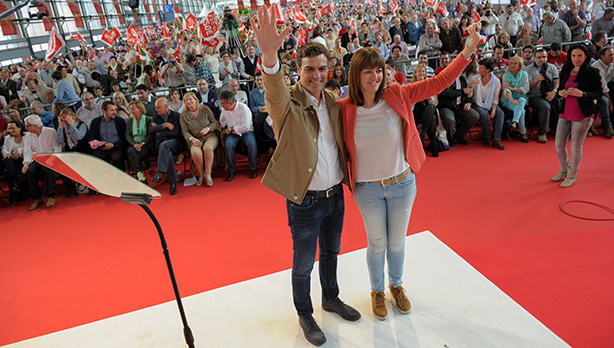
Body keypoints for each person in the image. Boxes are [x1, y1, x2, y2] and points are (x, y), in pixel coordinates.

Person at [338, 23, 483, 321]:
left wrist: (468, 49)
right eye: (368, 72)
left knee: (397, 242)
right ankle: (377, 291)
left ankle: (396, 285)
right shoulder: (343, 108)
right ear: (356, 75)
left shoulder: (398, 94)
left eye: (379, 70)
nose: (376, 77)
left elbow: (440, 81)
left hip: (402, 183)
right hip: (367, 189)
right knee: (376, 242)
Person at [251, 7, 360, 346]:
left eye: (322, 69)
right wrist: (270, 57)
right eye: (310, 69)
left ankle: (331, 298)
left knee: (331, 253)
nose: (317, 75)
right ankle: (305, 314)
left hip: (335, 197)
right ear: (298, 71)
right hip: (306, 202)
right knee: (303, 265)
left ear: (329, 70)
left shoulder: (332, 100)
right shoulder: (286, 104)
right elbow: (273, 89)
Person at [553, 43, 602, 187]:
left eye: (579, 55)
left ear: (586, 56)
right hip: (565, 111)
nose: (576, 58)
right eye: (573, 55)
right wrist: (560, 92)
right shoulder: (567, 69)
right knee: (559, 145)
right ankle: (563, 169)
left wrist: (583, 94)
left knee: (576, 146)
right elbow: (561, 87)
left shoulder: (592, 72)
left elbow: (598, 94)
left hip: (582, 113)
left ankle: (572, 173)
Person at [21, 115, 63, 210]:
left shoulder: (50, 131)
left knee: (46, 169)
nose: (26, 128)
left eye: (28, 126)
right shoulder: (28, 136)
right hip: (37, 158)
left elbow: (57, 148)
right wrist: (26, 163)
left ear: (35, 125)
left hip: (50, 157)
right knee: (30, 171)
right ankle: (36, 198)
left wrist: (51, 160)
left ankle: (51, 196)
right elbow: (28, 151)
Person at [180, 92, 219, 187]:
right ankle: (201, 175)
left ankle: (208, 174)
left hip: (210, 136)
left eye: (190, 99)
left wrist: (208, 129)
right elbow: (185, 132)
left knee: (207, 148)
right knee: (195, 152)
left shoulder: (205, 109)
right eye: (186, 100)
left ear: (195, 100)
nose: (188, 102)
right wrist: (192, 139)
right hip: (195, 139)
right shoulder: (183, 115)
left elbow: (214, 123)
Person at [219, 90, 258, 180]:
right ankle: (232, 170)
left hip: (246, 132)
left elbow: (246, 127)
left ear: (231, 103)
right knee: (228, 145)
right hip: (232, 134)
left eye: (223, 104)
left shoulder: (244, 108)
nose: (222, 106)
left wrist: (231, 128)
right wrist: (225, 129)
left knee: (251, 144)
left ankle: (253, 168)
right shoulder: (224, 109)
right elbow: (222, 121)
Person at [150, 97, 184, 196]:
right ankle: (172, 183)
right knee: (166, 151)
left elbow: (176, 133)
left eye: (158, 107)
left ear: (166, 106)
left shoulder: (176, 116)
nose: (156, 110)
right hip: (163, 145)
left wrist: (160, 132)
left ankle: (159, 174)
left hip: (177, 143)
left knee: (164, 146)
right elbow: (150, 130)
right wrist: (164, 126)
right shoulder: (156, 116)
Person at [472, 58, 506, 150]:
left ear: (488, 70)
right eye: (479, 67)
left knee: (500, 114)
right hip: (477, 103)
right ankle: (487, 136)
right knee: (483, 114)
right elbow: (470, 95)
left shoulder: (496, 81)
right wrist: (471, 84)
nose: (479, 70)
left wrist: (494, 110)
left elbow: (495, 99)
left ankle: (497, 139)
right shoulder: (475, 78)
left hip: (490, 102)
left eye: (481, 68)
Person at [89, 101, 127, 171]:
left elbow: (124, 138)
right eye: (112, 110)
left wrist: (113, 144)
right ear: (104, 111)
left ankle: (121, 179)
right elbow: (91, 137)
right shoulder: (95, 122)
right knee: (95, 159)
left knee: (117, 158)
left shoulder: (120, 121)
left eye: (115, 110)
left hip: (116, 148)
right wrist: (92, 144)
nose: (114, 112)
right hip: (101, 149)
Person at [501, 56, 531, 143]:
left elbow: (526, 89)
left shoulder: (524, 74)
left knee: (521, 102)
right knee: (521, 110)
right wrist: (511, 99)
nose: (512, 65)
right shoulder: (505, 76)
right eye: (511, 63)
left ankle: (514, 122)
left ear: (520, 66)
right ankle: (523, 132)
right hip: (508, 99)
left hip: (521, 97)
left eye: (515, 63)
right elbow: (506, 89)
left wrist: (513, 88)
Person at [124, 101, 154, 183]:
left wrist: (142, 143)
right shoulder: (130, 122)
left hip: (146, 144)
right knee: (130, 151)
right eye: (130, 110)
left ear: (139, 109)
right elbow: (128, 135)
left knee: (134, 157)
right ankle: (140, 173)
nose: (131, 112)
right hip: (134, 144)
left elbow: (151, 135)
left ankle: (140, 176)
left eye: (133, 109)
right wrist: (134, 144)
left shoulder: (148, 119)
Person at [2, 120, 25, 204]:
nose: (11, 131)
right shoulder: (8, 138)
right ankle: (15, 182)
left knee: (8, 172)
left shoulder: (27, 136)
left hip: (23, 159)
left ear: (20, 128)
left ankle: (13, 196)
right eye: (9, 129)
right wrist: (8, 153)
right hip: (12, 161)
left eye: (13, 128)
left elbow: (30, 148)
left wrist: (19, 150)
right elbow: (4, 149)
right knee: (7, 160)